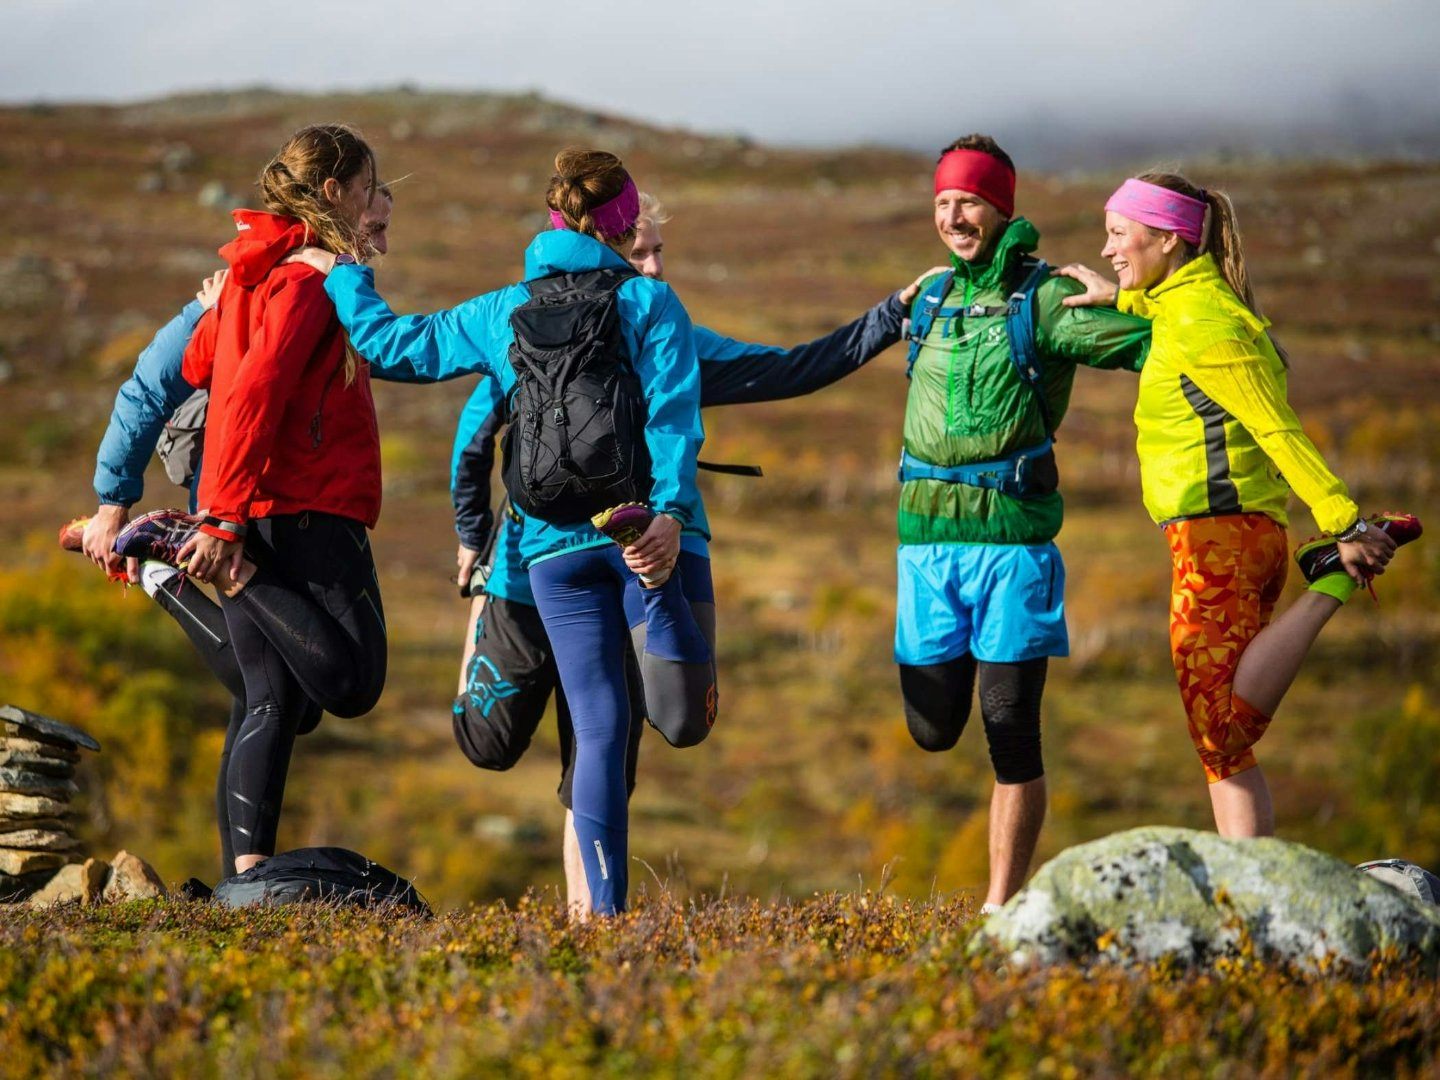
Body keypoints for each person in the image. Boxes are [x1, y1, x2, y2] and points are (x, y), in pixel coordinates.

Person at [450, 191, 938, 912]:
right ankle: (592, 918)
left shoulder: (665, 331)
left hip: (637, 552)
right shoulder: (533, 337)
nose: (651, 267)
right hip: (532, 565)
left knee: (601, 742)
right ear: (603, 249)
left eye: (658, 253)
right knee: (500, 740)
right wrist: (471, 538)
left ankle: (591, 922)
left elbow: (790, 369)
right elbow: (473, 437)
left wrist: (887, 318)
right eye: (637, 252)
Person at [289, 149, 715, 916]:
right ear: (623, 227)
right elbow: (674, 420)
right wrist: (671, 516)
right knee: (679, 719)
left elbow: (392, 348)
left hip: (550, 550)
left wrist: (343, 272)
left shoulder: (500, 311)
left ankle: (604, 925)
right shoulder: (651, 305)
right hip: (637, 535)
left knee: (598, 726)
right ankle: (661, 595)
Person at [1053, 171, 1421, 837]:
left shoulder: (1205, 323)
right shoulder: (1191, 305)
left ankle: (1331, 578)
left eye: (1117, 234)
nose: (1106, 248)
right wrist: (1120, 298)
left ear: (1166, 237)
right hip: (1228, 537)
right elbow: (1168, 319)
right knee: (1221, 747)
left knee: (1220, 735)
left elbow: (1274, 425)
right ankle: (1246, 902)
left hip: (1218, 544)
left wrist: (1346, 521)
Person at [61, 188, 397, 879]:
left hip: (241, 510)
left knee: (275, 699)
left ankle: (246, 887)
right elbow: (152, 389)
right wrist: (112, 499)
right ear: (336, 211)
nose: (383, 245)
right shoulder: (249, 292)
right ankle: (247, 882)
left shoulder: (311, 289)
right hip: (236, 509)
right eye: (376, 226)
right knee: (283, 693)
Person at [895, 135, 1153, 914]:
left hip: (1012, 547)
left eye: (968, 201)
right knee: (933, 729)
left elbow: (1154, 346)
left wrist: (1135, 302)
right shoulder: (931, 298)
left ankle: (999, 907)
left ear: (1001, 207)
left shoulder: (1042, 300)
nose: (953, 215)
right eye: (942, 202)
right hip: (925, 547)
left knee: (1008, 725)